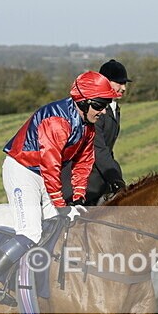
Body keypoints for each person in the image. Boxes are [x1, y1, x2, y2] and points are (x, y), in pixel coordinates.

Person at [0, 70, 121, 304]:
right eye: (100, 105)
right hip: (22, 170)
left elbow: (83, 163)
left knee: (63, 227)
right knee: (31, 231)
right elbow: (51, 166)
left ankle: (45, 284)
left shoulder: (88, 124)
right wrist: (62, 205)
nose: (103, 111)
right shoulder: (57, 121)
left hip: (43, 172)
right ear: (84, 102)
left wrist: (79, 199)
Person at [61, 59, 131, 205]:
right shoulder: (95, 110)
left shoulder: (114, 108)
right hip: (82, 182)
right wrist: (116, 178)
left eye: (125, 83)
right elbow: (98, 149)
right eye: (119, 83)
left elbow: (108, 148)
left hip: (99, 180)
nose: (123, 88)